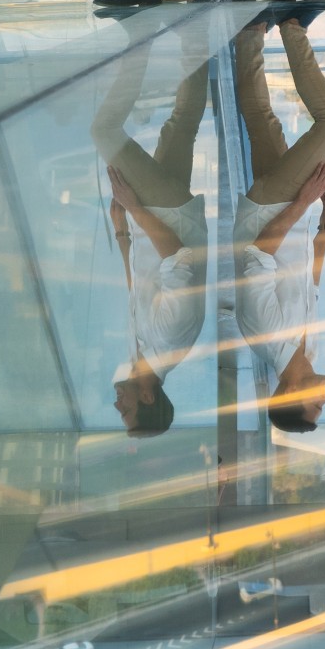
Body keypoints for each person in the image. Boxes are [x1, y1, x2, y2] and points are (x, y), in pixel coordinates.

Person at [231, 12, 325, 434]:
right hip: (291, 216)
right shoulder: (307, 350)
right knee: (262, 120)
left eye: (315, 407)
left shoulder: (266, 336)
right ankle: (250, 33)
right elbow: (309, 282)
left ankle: (292, 24)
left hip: (270, 210)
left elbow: (259, 252)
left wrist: (303, 199)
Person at [97, 41, 212, 435]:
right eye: (125, 412)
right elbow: (178, 257)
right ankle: (138, 43)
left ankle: (198, 29)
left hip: (157, 220)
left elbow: (138, 289)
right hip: (168, 216)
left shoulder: (142, 354)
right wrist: (133, 206)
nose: (118, 404)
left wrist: (122, 233)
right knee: (104, 131)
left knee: (182, 122)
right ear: (147, 399)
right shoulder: (171, 339)